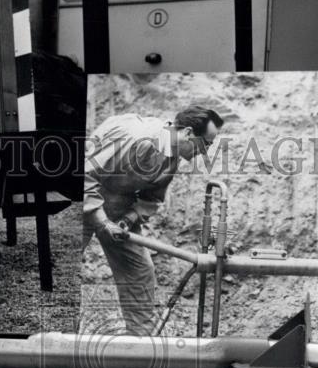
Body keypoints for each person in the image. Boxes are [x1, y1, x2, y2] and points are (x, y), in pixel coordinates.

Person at [83, 106, 224, 336]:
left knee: (139, 270)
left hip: (118, 207)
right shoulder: (135, 137)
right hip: (86, 198)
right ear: (188, 133)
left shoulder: (172, 158)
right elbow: (85, 174)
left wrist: (129, 219)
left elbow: (152, 197)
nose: (205, 152)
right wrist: (100, 220)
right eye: (205, 144)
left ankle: (139, 345)